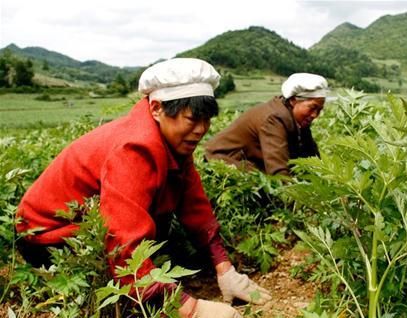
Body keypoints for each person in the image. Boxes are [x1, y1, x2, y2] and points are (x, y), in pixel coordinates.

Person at [16, 58, 271, 318]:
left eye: (206, 120)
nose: (201, 130)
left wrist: (224, 269)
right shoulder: (134, 149)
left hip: (85, 224)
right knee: (126, 286)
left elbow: (194, 206)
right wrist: (192, 309)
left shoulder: (174, 140)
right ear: (157, 108)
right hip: (47, 236)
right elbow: (123, 245)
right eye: (192, 119)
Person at [204, 73, 328, 175]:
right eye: (312, 108)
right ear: (294, 100)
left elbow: (312, 156)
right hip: (222, 160)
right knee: (263, 184)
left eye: (319, 110)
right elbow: (278, 171)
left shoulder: (297, 118)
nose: (315, 115)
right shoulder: (274, 118)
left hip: (249, 161)